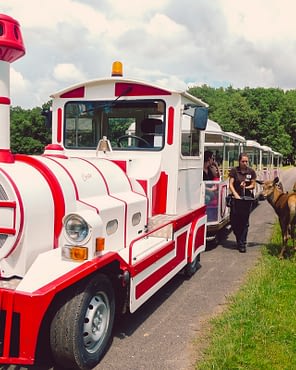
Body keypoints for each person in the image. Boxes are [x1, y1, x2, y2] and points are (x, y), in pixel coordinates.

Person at [229, 153, 256, 253]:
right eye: (243, 161)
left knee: (244, 222)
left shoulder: (251, 171)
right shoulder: (234, 171)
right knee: (234, 222)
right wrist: (235, 194)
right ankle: (239, 238)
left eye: (246, 161)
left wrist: (246, 187)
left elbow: (253, 185)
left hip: (246, 200)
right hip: (236, 200)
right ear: (239, 161)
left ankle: (242, 243)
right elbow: (230, 184)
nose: (245, 163)